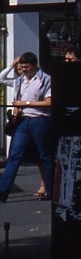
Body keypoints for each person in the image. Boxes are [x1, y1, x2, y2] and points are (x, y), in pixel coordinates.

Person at [0, 52, 55, 203]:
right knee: (14, 155)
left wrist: (26, 104)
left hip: (39, 120)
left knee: (45, 155)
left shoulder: (45, 80)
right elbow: (1, 79)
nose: (24, 70)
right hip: (23, 121)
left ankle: (50, 189)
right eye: (22, 67)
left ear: (35, 65)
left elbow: (49, 102)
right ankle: (3, 190)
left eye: (27, 67)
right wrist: (12, 65)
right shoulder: (20, 81)